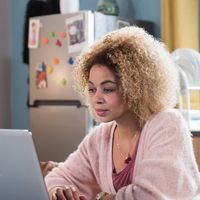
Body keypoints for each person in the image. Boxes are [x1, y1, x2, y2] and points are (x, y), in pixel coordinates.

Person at [45, 26, 200, 200]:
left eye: (108, 89)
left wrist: (103, 197)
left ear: (136, 87)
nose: (96, 99)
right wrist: (58, 190)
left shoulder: (167, 123)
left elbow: (151, 196)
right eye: (91, 89)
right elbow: (57, 177)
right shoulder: (100, 137)